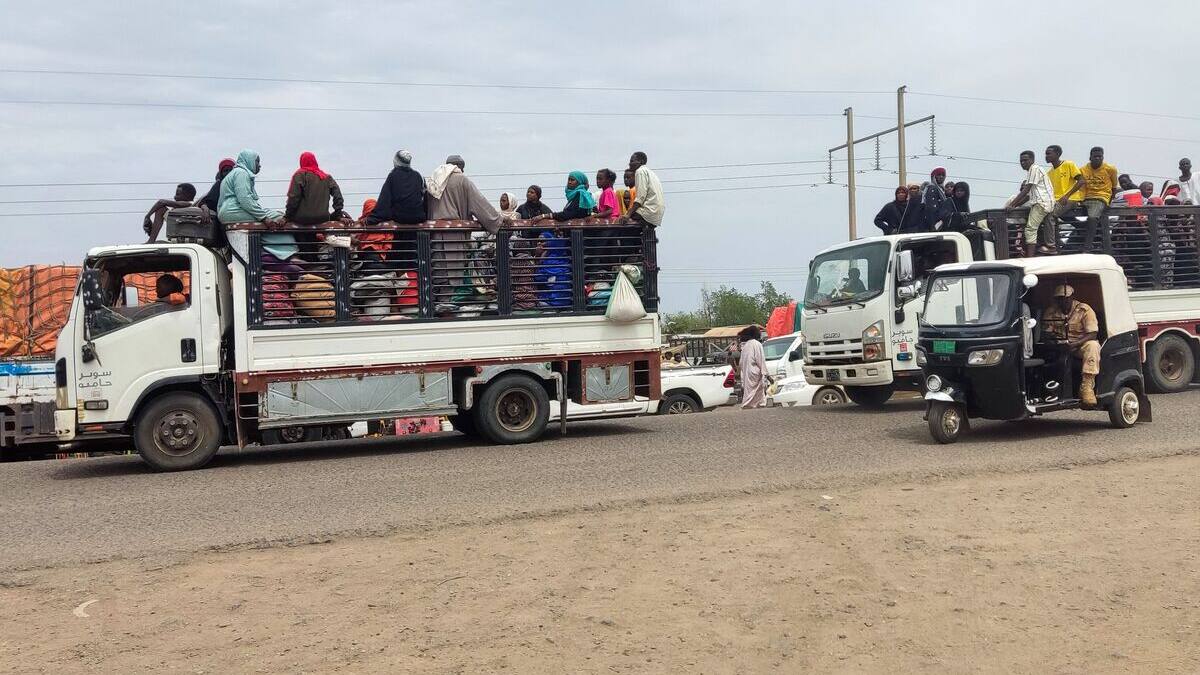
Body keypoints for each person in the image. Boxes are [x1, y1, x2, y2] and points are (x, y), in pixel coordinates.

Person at [218, 149, 289, 259]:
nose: (259, 166)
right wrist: (264, 218)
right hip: (234, 210)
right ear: (249, 161)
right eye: (257, 162)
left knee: (271, 215)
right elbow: (245, 200)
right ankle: (285, 252)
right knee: (278, 217)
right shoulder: (241, 174)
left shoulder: (235, 174)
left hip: (230, 211)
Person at [1041, 283, 1100, 407]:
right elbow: (1046, 333)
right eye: (1060, 298)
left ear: (1072, 297)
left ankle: (1087, 388)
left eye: (1066, 298)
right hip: (1059, 345)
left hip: (1080, 344)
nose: (1064, 301)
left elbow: (1093, 333)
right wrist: (1055, 341)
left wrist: (1075, 344)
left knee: (1093, 346)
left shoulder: (1084, 309)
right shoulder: (1051, 311)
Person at [1011, 150, 1056, 257]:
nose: (1023, 163)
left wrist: (1011, 205)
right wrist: (1015, 205)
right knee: (1037, 228)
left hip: (1041, 203)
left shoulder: (1034, 169)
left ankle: (1030, 257)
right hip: (1045, 202)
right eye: (1021, 161)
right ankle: (1049, 247)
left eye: (1025, 160)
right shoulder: (1034, 171)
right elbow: (1028, 196)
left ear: (1032, 160)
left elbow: (1026, 189)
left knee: (1030, 229)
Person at [284, 151, 346, 225]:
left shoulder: (299, 175)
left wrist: (287, 216)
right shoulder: (326, 177)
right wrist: (338, 213)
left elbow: (293, 198)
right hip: (323, 219)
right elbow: (338, 196)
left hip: (301, 219)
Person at [368, 150, 427, 225]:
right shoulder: (418, 176)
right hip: (418, 217)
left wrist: (372, 219)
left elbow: (384, 201)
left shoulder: (393, 176)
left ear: (396, 161)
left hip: (400, 218)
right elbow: (424, 197)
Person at [1044, 145, 1085, 253]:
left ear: (1057, 154)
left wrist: (1067, 195)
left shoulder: (1068, 164)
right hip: (1057, 201)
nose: (1046, 156)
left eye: (1048, 153)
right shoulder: (1049, 173)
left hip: (1071, 198)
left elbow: (1081, 181)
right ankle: (1058, 244)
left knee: (1050, 215)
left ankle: (1051, 247)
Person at [1078, 146, 1119, 252]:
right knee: (1065, 212)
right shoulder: (1082, 169)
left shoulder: (1111, 169)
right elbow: (1082, 188)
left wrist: (1109, 201)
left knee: (1092, 217)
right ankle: (1082, 228)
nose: (1098, 159)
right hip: (1086, 198)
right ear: (1090, 157)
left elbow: (1114, 187)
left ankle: (1087, 246)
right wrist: (1080, 200)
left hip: (1101, 197)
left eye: (1100, 156)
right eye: (1095, 156)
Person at [621, 151, 665, 226]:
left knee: (621, 221)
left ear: (640, 161)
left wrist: (627, 215)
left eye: (632, 161)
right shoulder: (651, 172)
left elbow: (640, 197)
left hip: (649, 212)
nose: (629, 164)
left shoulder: (640, 171)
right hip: (657, 213)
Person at [737, 325, 769, 409]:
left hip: (747, 372)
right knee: (757, 390)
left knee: (750, 391)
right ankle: (752, 405)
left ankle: (756, 405)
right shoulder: (756, 344)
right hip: (755, 372)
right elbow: (760, 360)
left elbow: (740, 363)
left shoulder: (745, 346)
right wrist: (766, 374)